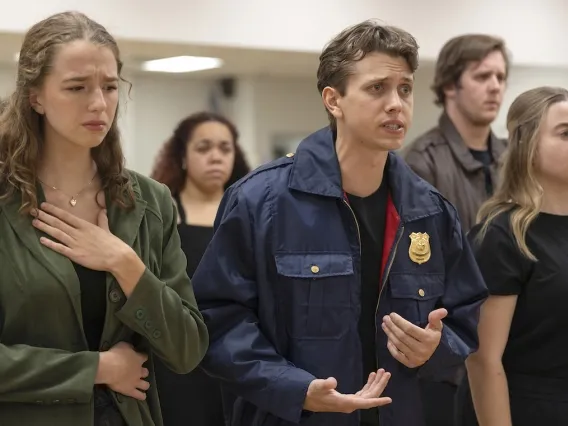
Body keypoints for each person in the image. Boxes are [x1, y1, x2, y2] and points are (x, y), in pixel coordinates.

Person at [191, 20, 488, 426]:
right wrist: (295, 389)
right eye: (377, 88)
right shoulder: (260, 201)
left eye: (404, 89)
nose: (396, 104)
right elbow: (217, 320)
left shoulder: (431, 211)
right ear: (334, 101)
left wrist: (436, 347)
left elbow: (464, 313)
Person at [0, 11, 208, 426]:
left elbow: (187, 350)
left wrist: (125, 264)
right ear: (35, 97)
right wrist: (97, 369)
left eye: (110, 87)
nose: (99, 103)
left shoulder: (151, 201)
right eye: (76, 87)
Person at [462, 86, 568, 426]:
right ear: (528, 144)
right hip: (525, 408)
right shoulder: (502, 235)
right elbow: (483, 360)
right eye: (565, 134)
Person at [150, 111, 250, 426]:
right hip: (178, 361)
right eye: (203, 148)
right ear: (182, 156)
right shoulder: (160, 215)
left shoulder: (250, 212)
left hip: (238, 355)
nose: (215, 157)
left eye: (225, 148)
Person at [403, 34, 509, 232]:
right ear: (450, 86)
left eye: (500, 78)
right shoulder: (422, 161)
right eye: (482, 76)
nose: (496, 87)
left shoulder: (513, 156)